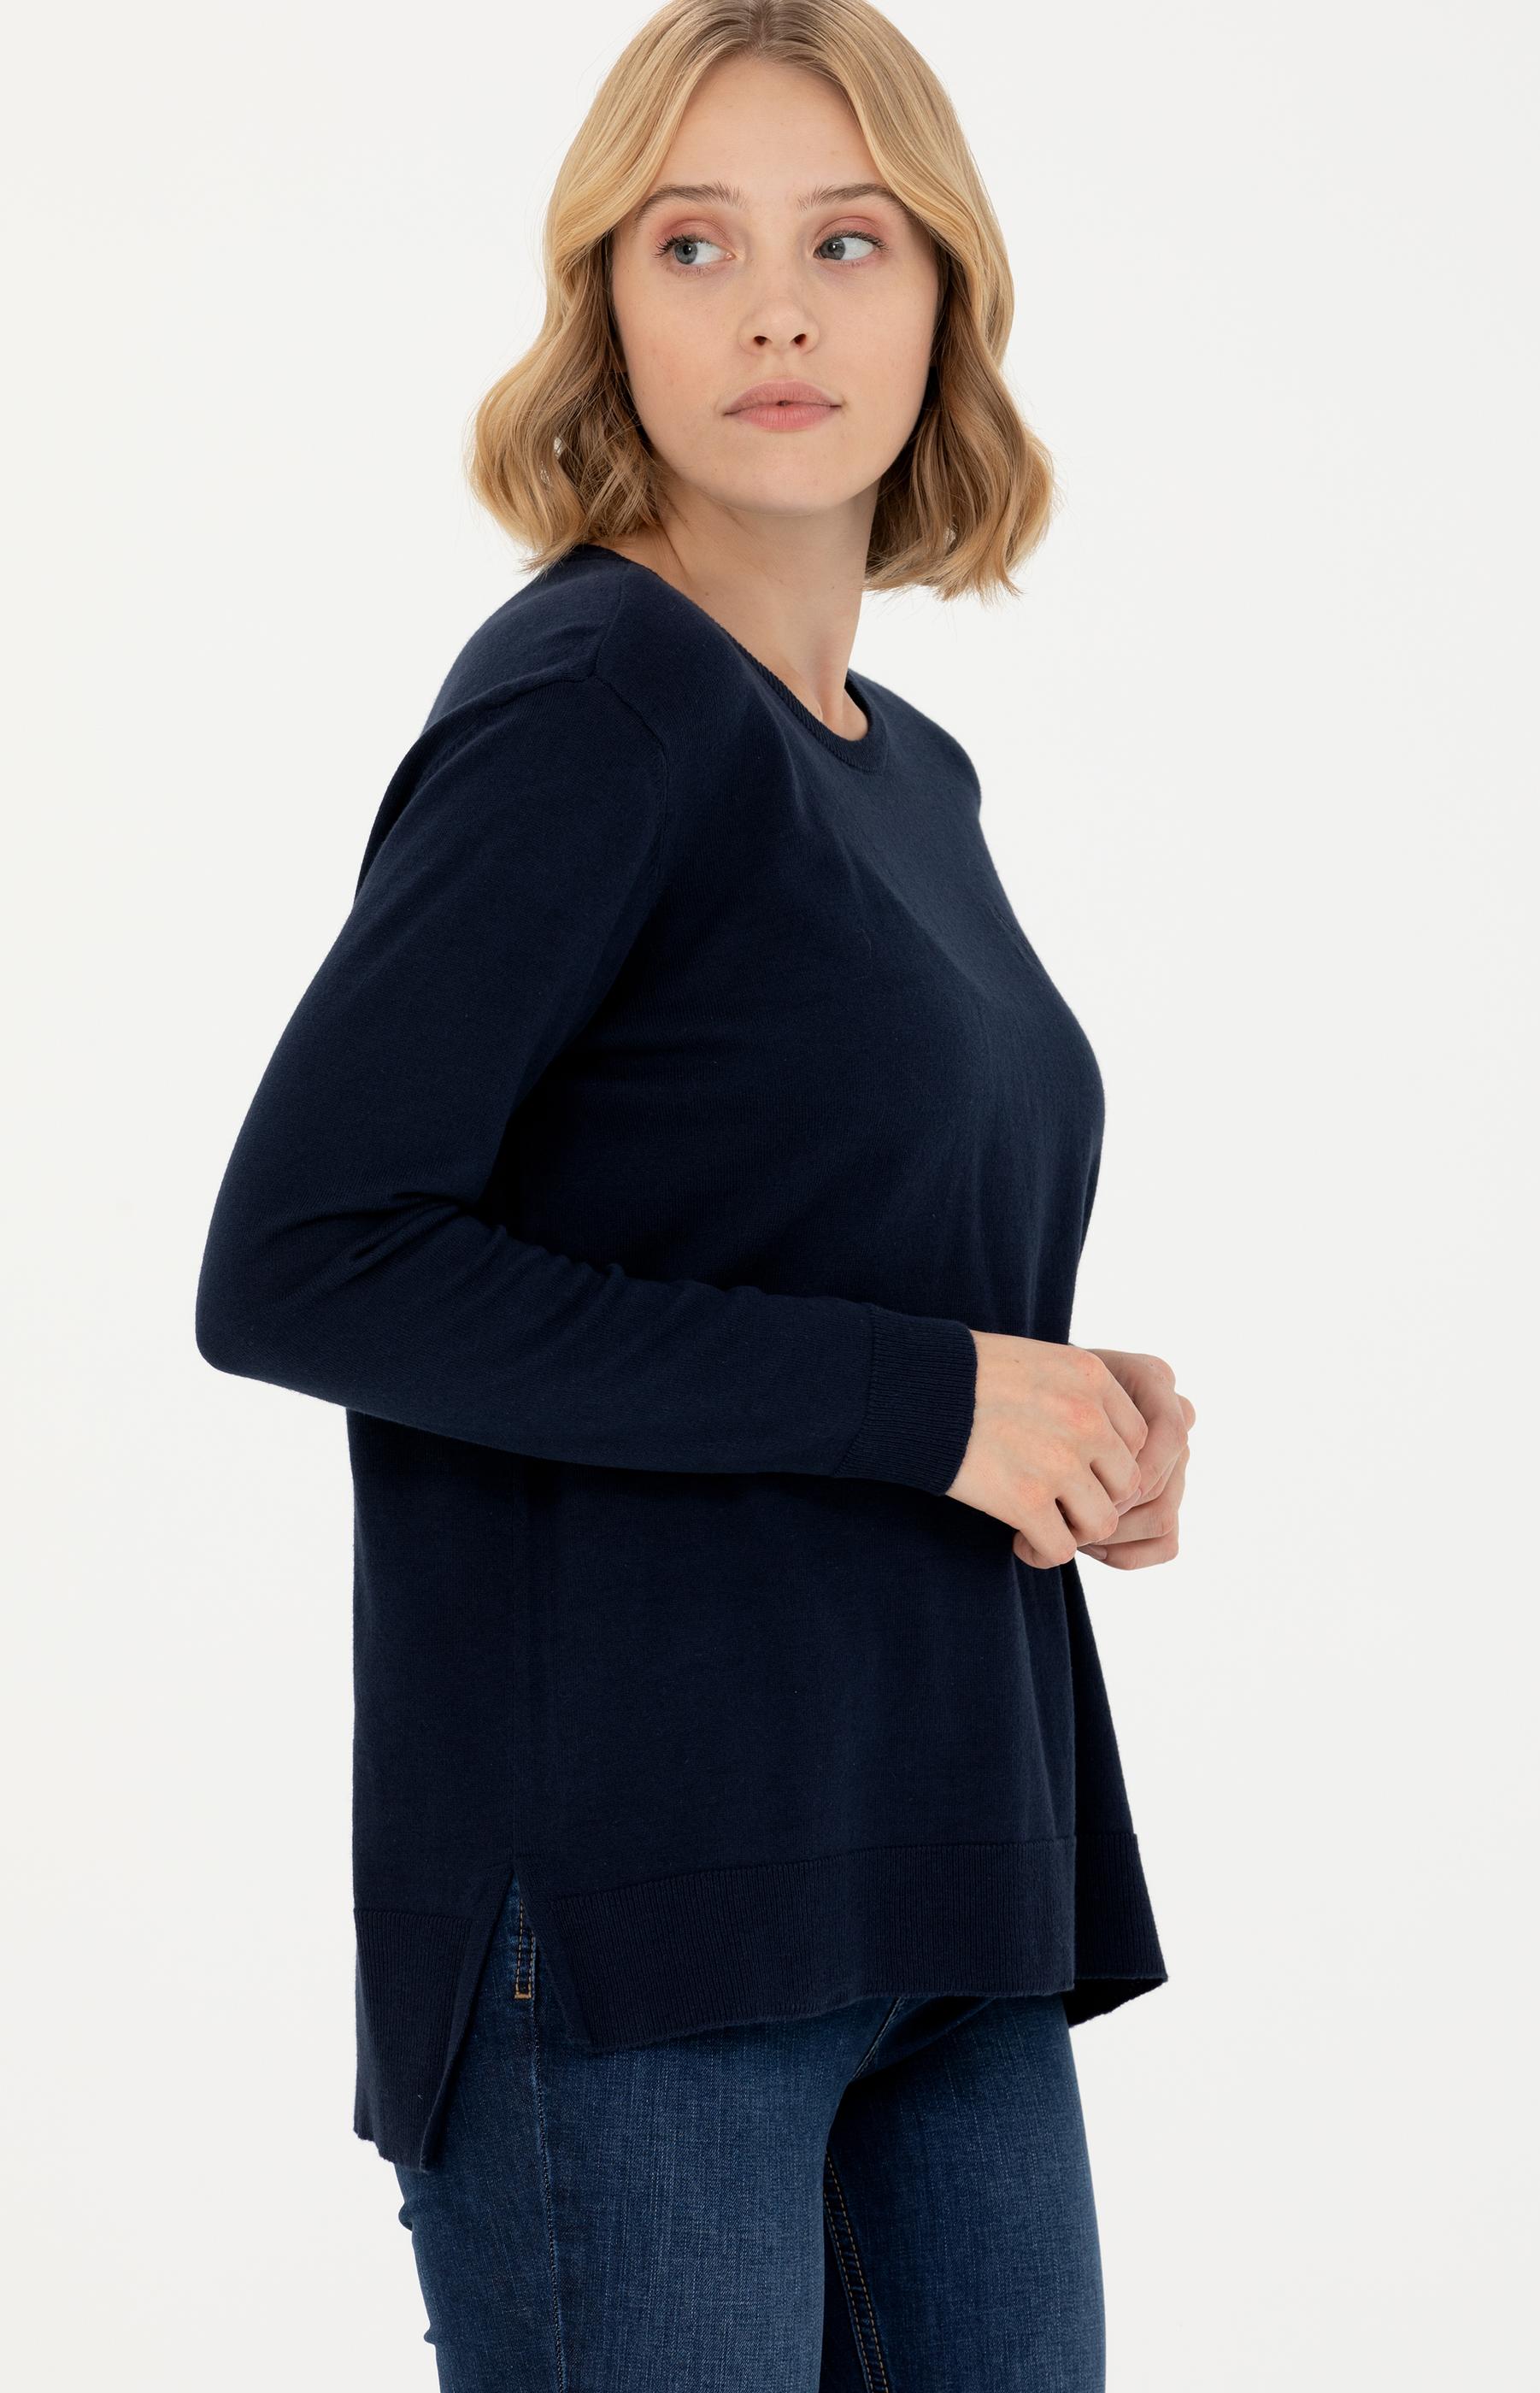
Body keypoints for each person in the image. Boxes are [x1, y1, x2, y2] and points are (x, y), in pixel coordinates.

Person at [195, 3, 1196, 2384]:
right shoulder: (591, 705)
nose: (774, 313)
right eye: (692, 244)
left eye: (845, 242)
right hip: (646, 1920)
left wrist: (1061, 1407)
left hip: (943, 1866)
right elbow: (307, 1259)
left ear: (942, 295)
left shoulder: (904, 770)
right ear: (605, 308)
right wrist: (926, 1400)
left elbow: (808, 1246)